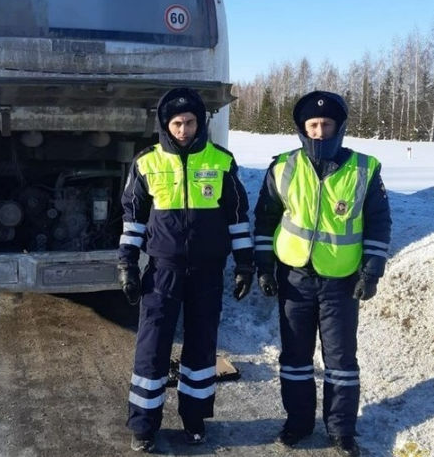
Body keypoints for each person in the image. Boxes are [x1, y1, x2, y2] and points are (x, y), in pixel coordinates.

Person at [253, 90, 392, 457]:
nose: (318, 131)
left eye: (325, 124)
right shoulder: (282, 166)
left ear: (338, 127)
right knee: (295, 358)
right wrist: (264, 266)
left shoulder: (364, 168)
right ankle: (298, 422)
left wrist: (371, 272)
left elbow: (379, 224)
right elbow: (265, 219)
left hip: (341, 283)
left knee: (341, 361)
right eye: (312, 125)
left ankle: (341, 430)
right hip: (295, 279)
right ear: (303, 128)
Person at [117, 87, 254, 453]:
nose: (183, 129)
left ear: (200, 122)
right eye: (176, 123)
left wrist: (245, 264)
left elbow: (238, 218)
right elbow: (133, 220)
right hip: (163, 270)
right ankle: (144, 425)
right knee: (152, 347)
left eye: (190, 121)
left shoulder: (221, 160)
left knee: (201, 346)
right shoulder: (147, 163)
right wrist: (127, 263)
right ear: (165, 124)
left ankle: (194, 420)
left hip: (208, 272)